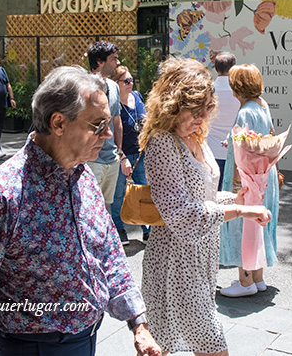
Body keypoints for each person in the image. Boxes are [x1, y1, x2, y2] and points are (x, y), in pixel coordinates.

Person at [0, 66, 162, 356]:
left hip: (86, 339)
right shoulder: (2, 196)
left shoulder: (82, 174)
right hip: (34, 348)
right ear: (58, 123)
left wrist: (138, 324)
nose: (106, 134)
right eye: (96, 125)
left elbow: (109, 251)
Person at [140, 57, 271, 355]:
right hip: (176, 264)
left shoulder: (195, 138)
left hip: (200, 259)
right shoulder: (163, 143)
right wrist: (241, 210)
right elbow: (182, 214)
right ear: (172, 106)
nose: (202, 117)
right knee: (210, 345)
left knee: (160, 346)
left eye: (207, 109)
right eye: (195, 111)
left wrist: (236, 198)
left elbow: (205, 198)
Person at [219, 64, 279, 298]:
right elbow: (271, 137)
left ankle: (246, 282)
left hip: (247, 176)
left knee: (241, 224)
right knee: (259, 223)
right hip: (264, 174)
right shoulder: (262, 105)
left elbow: (242, 150)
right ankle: (258, 278)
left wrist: (236, 185)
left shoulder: (245, 111)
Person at [87, 41, 131, 242]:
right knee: (88, 205)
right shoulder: (84, 87)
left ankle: (103, 244)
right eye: (113, 59)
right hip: (91, 159)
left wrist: (120, 152)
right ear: (99, 61)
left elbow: (116, 121)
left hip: (111, 158)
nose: (117, 63)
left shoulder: (113, 86)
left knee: (106, 204)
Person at [110, 65, 150, 242]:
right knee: (118, 194)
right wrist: (122, 157)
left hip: (141, 154)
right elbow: (111, 134)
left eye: (132, 80)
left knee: (143, 190)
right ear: (116, 83)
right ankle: (119, 228)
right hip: (123, 156)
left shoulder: (137, 97)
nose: (130, 83)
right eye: (126, 81)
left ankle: (147, 227)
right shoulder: (113, 104)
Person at [206, 51, 240, 189]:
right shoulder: (241, 90)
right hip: (236, 150)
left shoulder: (208, 90)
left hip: (212, 149)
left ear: (214, 67)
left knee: (214, 193)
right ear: (233, 68)